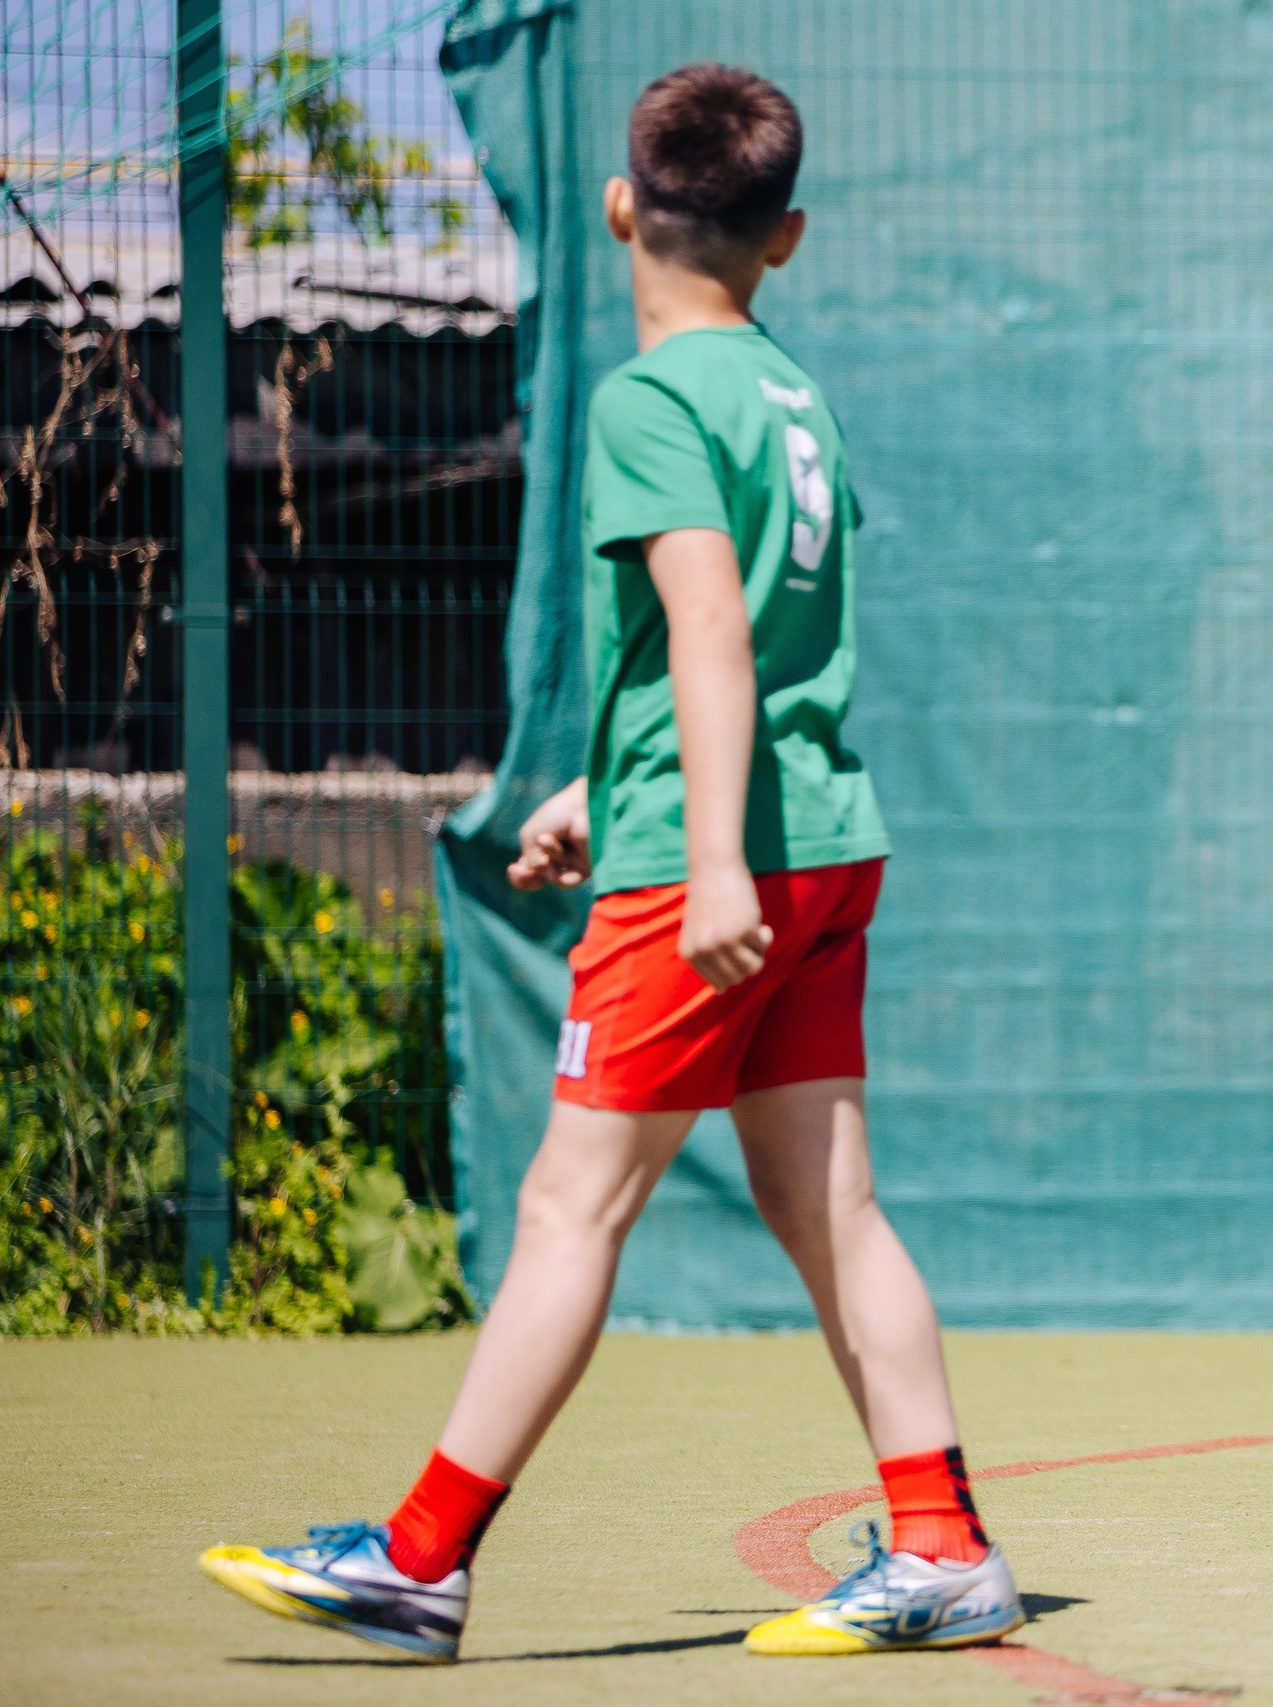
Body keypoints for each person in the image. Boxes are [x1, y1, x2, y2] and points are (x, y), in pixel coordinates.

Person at [199, 64, 1024, 1660]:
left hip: (713, 867)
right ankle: (943, 1549)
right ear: (786, 237)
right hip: (819, 841)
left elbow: (711, 622)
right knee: (833, 1208)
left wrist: (699, 852)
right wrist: (602, 780)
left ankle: (421, 1558)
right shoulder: (787, 392)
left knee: (571, 1207)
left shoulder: (649, 400)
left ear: (619, 207)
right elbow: (742, 647)